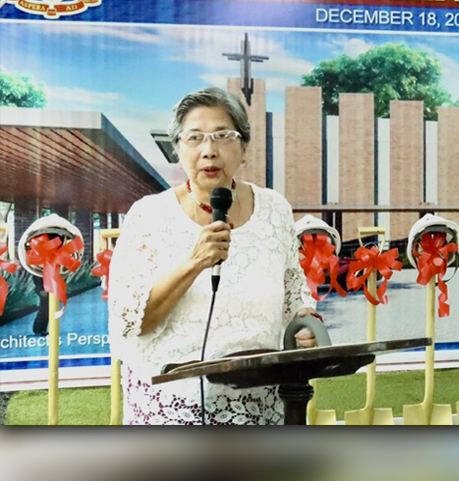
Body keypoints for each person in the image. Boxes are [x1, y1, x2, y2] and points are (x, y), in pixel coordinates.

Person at [108, 87, 317, 425]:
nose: (209, 150)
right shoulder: (148, 216)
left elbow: (295, 297)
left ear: (244, 148)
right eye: (195, 138)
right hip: (177, 411)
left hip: (261, 405)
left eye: (223, 136)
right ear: (178, 150)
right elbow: (130, 323)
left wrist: (303, 326)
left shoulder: (275, 210)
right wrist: (194, 263)